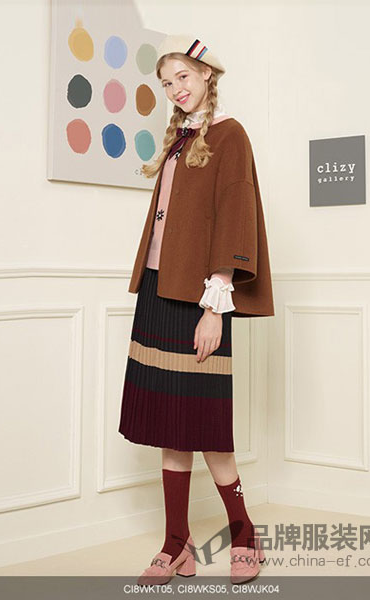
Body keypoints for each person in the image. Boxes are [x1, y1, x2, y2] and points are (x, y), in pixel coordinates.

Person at [118, 34, 274, 585]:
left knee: (207, 427)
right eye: (166, 83)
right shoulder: (181, 138)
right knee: (170, 425)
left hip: (201, 296)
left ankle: (244, 535)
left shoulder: (231, 135)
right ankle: (176, 544)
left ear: (207, 73)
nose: (175, 89)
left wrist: (215, 306)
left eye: (182, 76)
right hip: (158, 291)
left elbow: (234, 215)